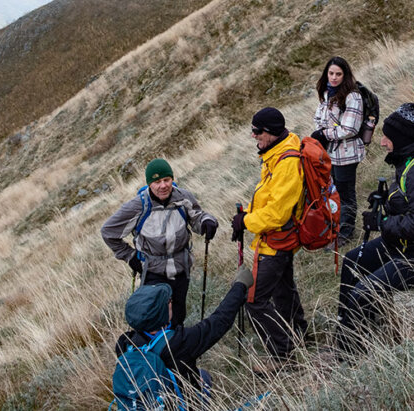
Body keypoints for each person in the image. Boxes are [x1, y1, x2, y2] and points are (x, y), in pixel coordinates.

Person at [335, 103, 414, 354]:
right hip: (409, 243)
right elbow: (412, 203)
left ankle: (350, 356)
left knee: (363, 292)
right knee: (351, 262)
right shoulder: (411, 158)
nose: (382, 142)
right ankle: (345, 336)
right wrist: (387, 205)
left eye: (387, 137)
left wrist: (383, 223)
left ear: (400, 138)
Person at [232, 107, 307, 374]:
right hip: (280, 237)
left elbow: (277, 213)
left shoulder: (286, 162)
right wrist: (247, 216)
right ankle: (299, 334)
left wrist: (246, 222)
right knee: (283, 288)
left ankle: (282, 356)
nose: (254, 136)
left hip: (277, 239)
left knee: (254, 300)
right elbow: (270, 199)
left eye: (257, 131)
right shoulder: (276, 153)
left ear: (271, 132)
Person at [112, 268, 254, 410]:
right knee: (204, 377)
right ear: (162, 314)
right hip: (184, 405)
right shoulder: (179, 343)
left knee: (201, 375)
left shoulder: (125, 343)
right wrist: (240, 285)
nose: (171, 302)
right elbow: (220, 321)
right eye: (169, 301)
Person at [101, 158, 219, 327]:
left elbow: (197, 216)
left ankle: (178, 340)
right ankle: (160, 343)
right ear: (149, 184)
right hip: (153, 271)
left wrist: (207, 221)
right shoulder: (138, 206)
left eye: (166, 180)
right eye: (157, 182)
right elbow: (108, 231)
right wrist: (130, 256)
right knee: (155, 318)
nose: (163, 185)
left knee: (178, 315)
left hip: (181, 268)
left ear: (172, 179)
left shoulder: (183, 198)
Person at [310, 56, 365, 245]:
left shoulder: (353, 96)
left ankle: (346, 232)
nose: (334, 77)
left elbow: (350, 129)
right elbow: (319, 118)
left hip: (347, 154)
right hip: (330, 153)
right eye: (331, 73)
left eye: (338, 74)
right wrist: (322, 131)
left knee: (345, 193)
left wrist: (325, 134)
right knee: (333, 190)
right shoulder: (327, 93)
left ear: (345, 75)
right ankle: (336, 226)